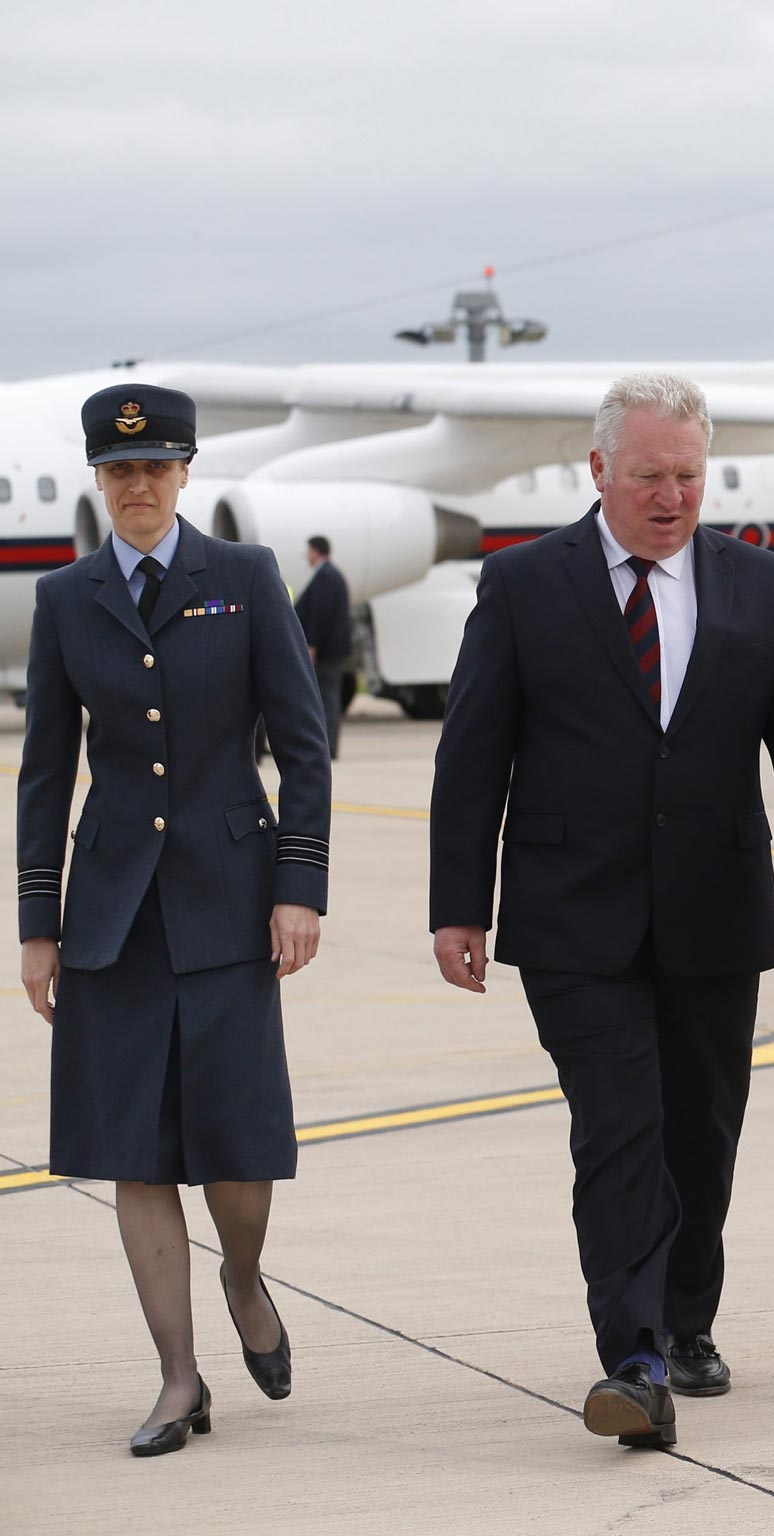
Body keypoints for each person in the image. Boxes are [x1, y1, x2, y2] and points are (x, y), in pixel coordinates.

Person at [428, 372, 774, 1449]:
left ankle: (686, 1320)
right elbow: (473, 753)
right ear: (597, 472)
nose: (670, 498)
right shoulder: (525, 584)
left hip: (714, 904)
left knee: (701, 1130)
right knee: (618, 1127)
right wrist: (457, 906)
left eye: (687, 477)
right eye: (648, 476)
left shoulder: (758, 585)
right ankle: (631, 1355)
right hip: (573, 913)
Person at [17, 384, 331, 1455]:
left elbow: (303, 742)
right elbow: (45, 772)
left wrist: (299, 884)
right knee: (134, 1157)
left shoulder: (240, 579)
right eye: (118, 471)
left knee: (237, 1148)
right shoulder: (66, 601)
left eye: (155, 468)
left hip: (230, 903)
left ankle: (243, 1276)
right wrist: (37, 922)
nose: (138, 485)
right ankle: (177, 1379)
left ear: (186, 472)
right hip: (111, 917)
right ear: (99, 482)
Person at [293, 535, 353, 760]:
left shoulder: (325, 577)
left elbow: (320, 614)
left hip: (327, 652)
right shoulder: (331, 575)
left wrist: (312, 644)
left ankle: (329, 747)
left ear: (316, 551)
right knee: (328, 698)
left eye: (309, 551)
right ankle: (329, 746)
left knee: (327, 699)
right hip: (332, 650)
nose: (307, 556)